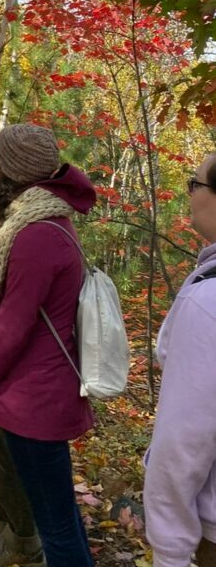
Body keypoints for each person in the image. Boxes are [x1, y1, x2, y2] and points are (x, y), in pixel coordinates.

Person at [0, 123, 96, 567]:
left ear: (11, 172)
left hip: (33, 400)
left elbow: (10, 329)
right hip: (38, 391)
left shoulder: (34, 233)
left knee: (55, 522)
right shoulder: (41, 220)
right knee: (58, 512)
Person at [144, 152, 216, 567]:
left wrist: (169, 552)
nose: (189, 194)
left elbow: (183, 443)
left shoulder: (207, 301)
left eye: (196, 184)